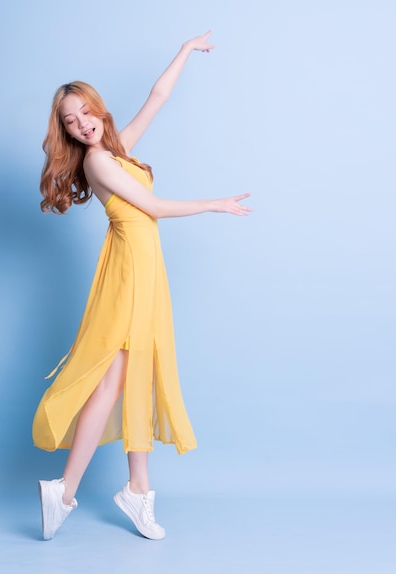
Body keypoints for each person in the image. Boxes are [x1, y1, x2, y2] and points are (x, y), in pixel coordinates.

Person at [32, 31, 251, 541]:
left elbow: (158, 97)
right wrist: (212, 204)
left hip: (145, 271)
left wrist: (184, 51)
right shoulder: (98, 161)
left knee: (127, 379)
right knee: (114, 380)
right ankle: (76, 490)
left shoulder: (117, 148)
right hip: (129, 272)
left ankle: (127, 489)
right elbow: (150, 209)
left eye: (86, 111)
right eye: (71, 120)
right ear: (65, 130)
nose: (82, 123)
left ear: (99, 111)